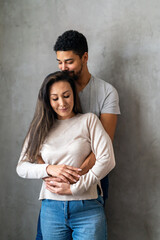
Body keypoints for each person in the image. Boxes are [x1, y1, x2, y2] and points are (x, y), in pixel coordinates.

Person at [17, 71, 115, 240]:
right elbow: (22, 167)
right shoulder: (39, 128)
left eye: (66, 95)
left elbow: (107, 160)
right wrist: (50, 169)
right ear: (47, 100)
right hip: (51, 210)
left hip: (87, 208)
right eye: (55, 98)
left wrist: (76, 187)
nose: (62, 103)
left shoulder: (89, 121)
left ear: (74, 95)